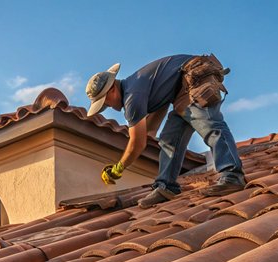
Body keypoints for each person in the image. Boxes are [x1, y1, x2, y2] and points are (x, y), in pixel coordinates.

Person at [86, 54, 246, 206]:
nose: (109, 107)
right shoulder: (139, 89)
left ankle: (232, 175)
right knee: (170, 139)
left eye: (105, 102)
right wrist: (140, 140)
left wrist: (118, 168)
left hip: (195, 78)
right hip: (181, 93)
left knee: (208, 124)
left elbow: (138, 143)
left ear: (112, 88)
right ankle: (166, 187)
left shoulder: (132, 97)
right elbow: (150, 130)